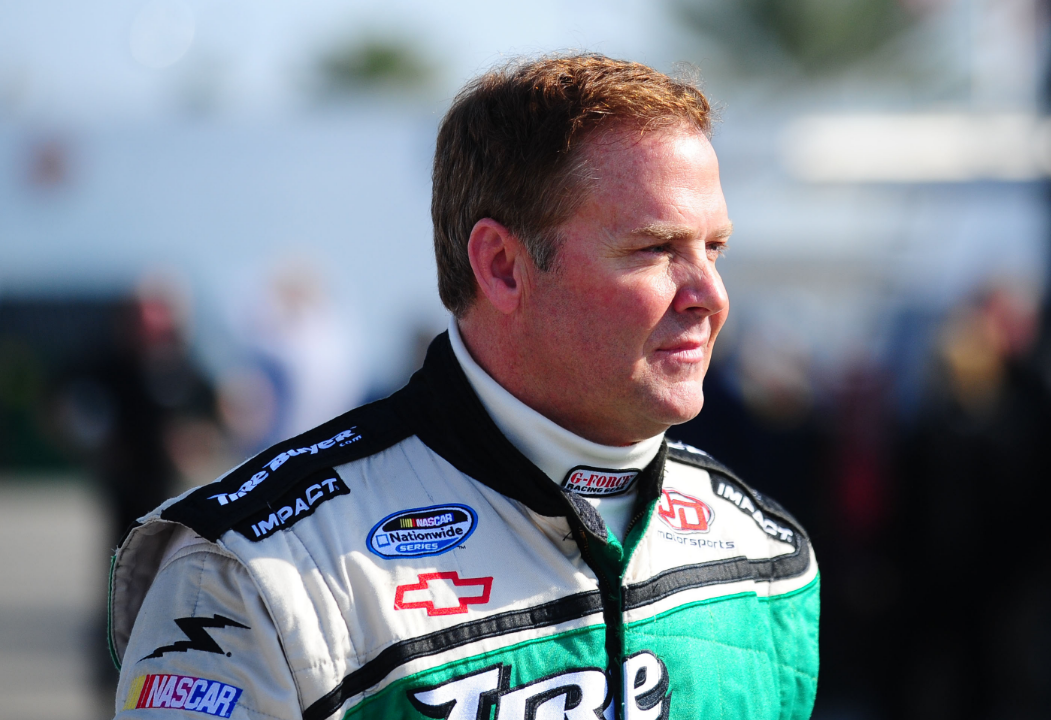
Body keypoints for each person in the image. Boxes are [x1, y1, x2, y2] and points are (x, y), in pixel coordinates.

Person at [108, 54, 819, 720]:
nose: (710, 295)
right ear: (503, 267)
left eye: (714, 247)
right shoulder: (253, 573)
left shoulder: (764, 553)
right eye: (656, 249)